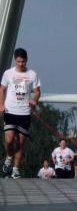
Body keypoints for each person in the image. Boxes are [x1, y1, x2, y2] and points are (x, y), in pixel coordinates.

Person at [0, 47, 41, 180]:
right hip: (10, 110)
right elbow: (2, 89)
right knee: (9, 139)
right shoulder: (8, 73)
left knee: (21, 142)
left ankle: (16, 169)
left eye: (23, 62)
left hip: (24, 112)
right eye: (18, 62)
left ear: (26, 60)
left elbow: (37, 91)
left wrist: (34, 99)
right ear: (15, 60)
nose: (21, 64)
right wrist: (1, 105)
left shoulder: (32, 74)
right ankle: (9, 156)